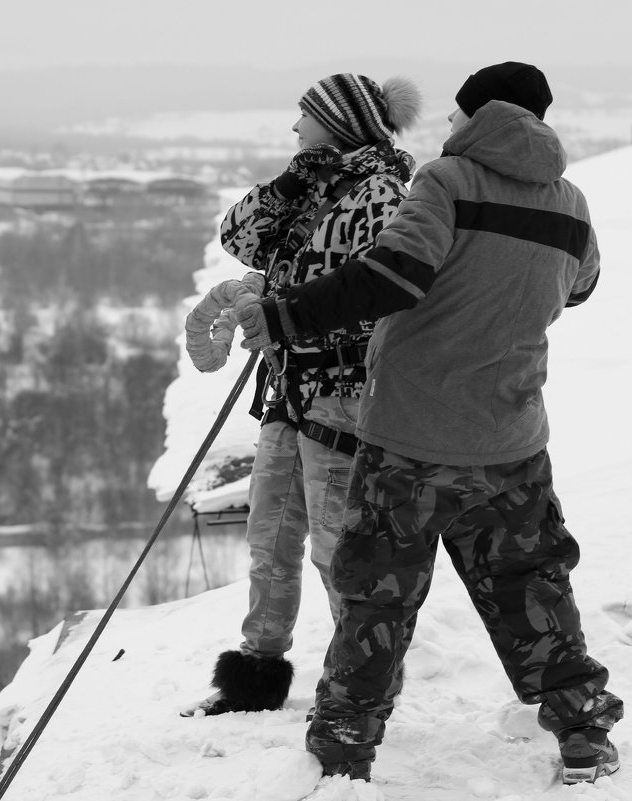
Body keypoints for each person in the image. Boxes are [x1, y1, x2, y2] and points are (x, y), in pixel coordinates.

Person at [232, 61, 622, 784]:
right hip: (510, 438)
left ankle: (343, 745)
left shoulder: (444, 183)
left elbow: (390, 275)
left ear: (477, 115)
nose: (446, 124)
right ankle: (583, 731)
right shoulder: (570, 203)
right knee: (531, 586)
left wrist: (282, 316)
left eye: (456, 113)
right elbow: (582, 285)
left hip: (409, 436)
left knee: (375, 593)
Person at [181, 73, 422, 716]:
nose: (295, 127)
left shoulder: (384, 194)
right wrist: (291, 181)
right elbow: (236, 236)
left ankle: (361, 688)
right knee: (270, 539)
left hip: (341, 392)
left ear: (340, 123)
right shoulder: (313, 186)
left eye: (306, 116)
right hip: (291, 389)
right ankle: (256, 672)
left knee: (336, 551)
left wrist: (290, 316)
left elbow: (376, 291)